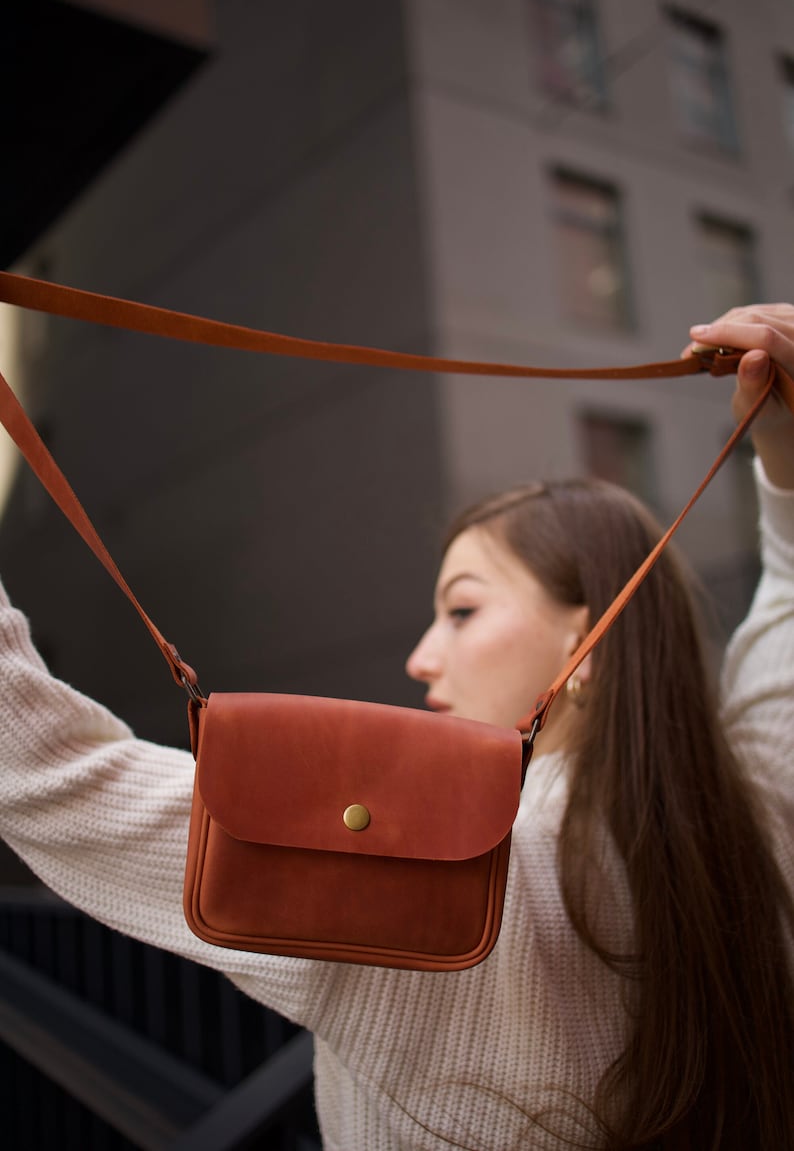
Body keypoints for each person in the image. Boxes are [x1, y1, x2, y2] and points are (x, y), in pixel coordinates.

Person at [0, 303, 792, 1151]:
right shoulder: (762, 816)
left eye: (461, 610)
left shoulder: (445, 878)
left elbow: (48, 769)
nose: (420, 657)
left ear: (588, 641)